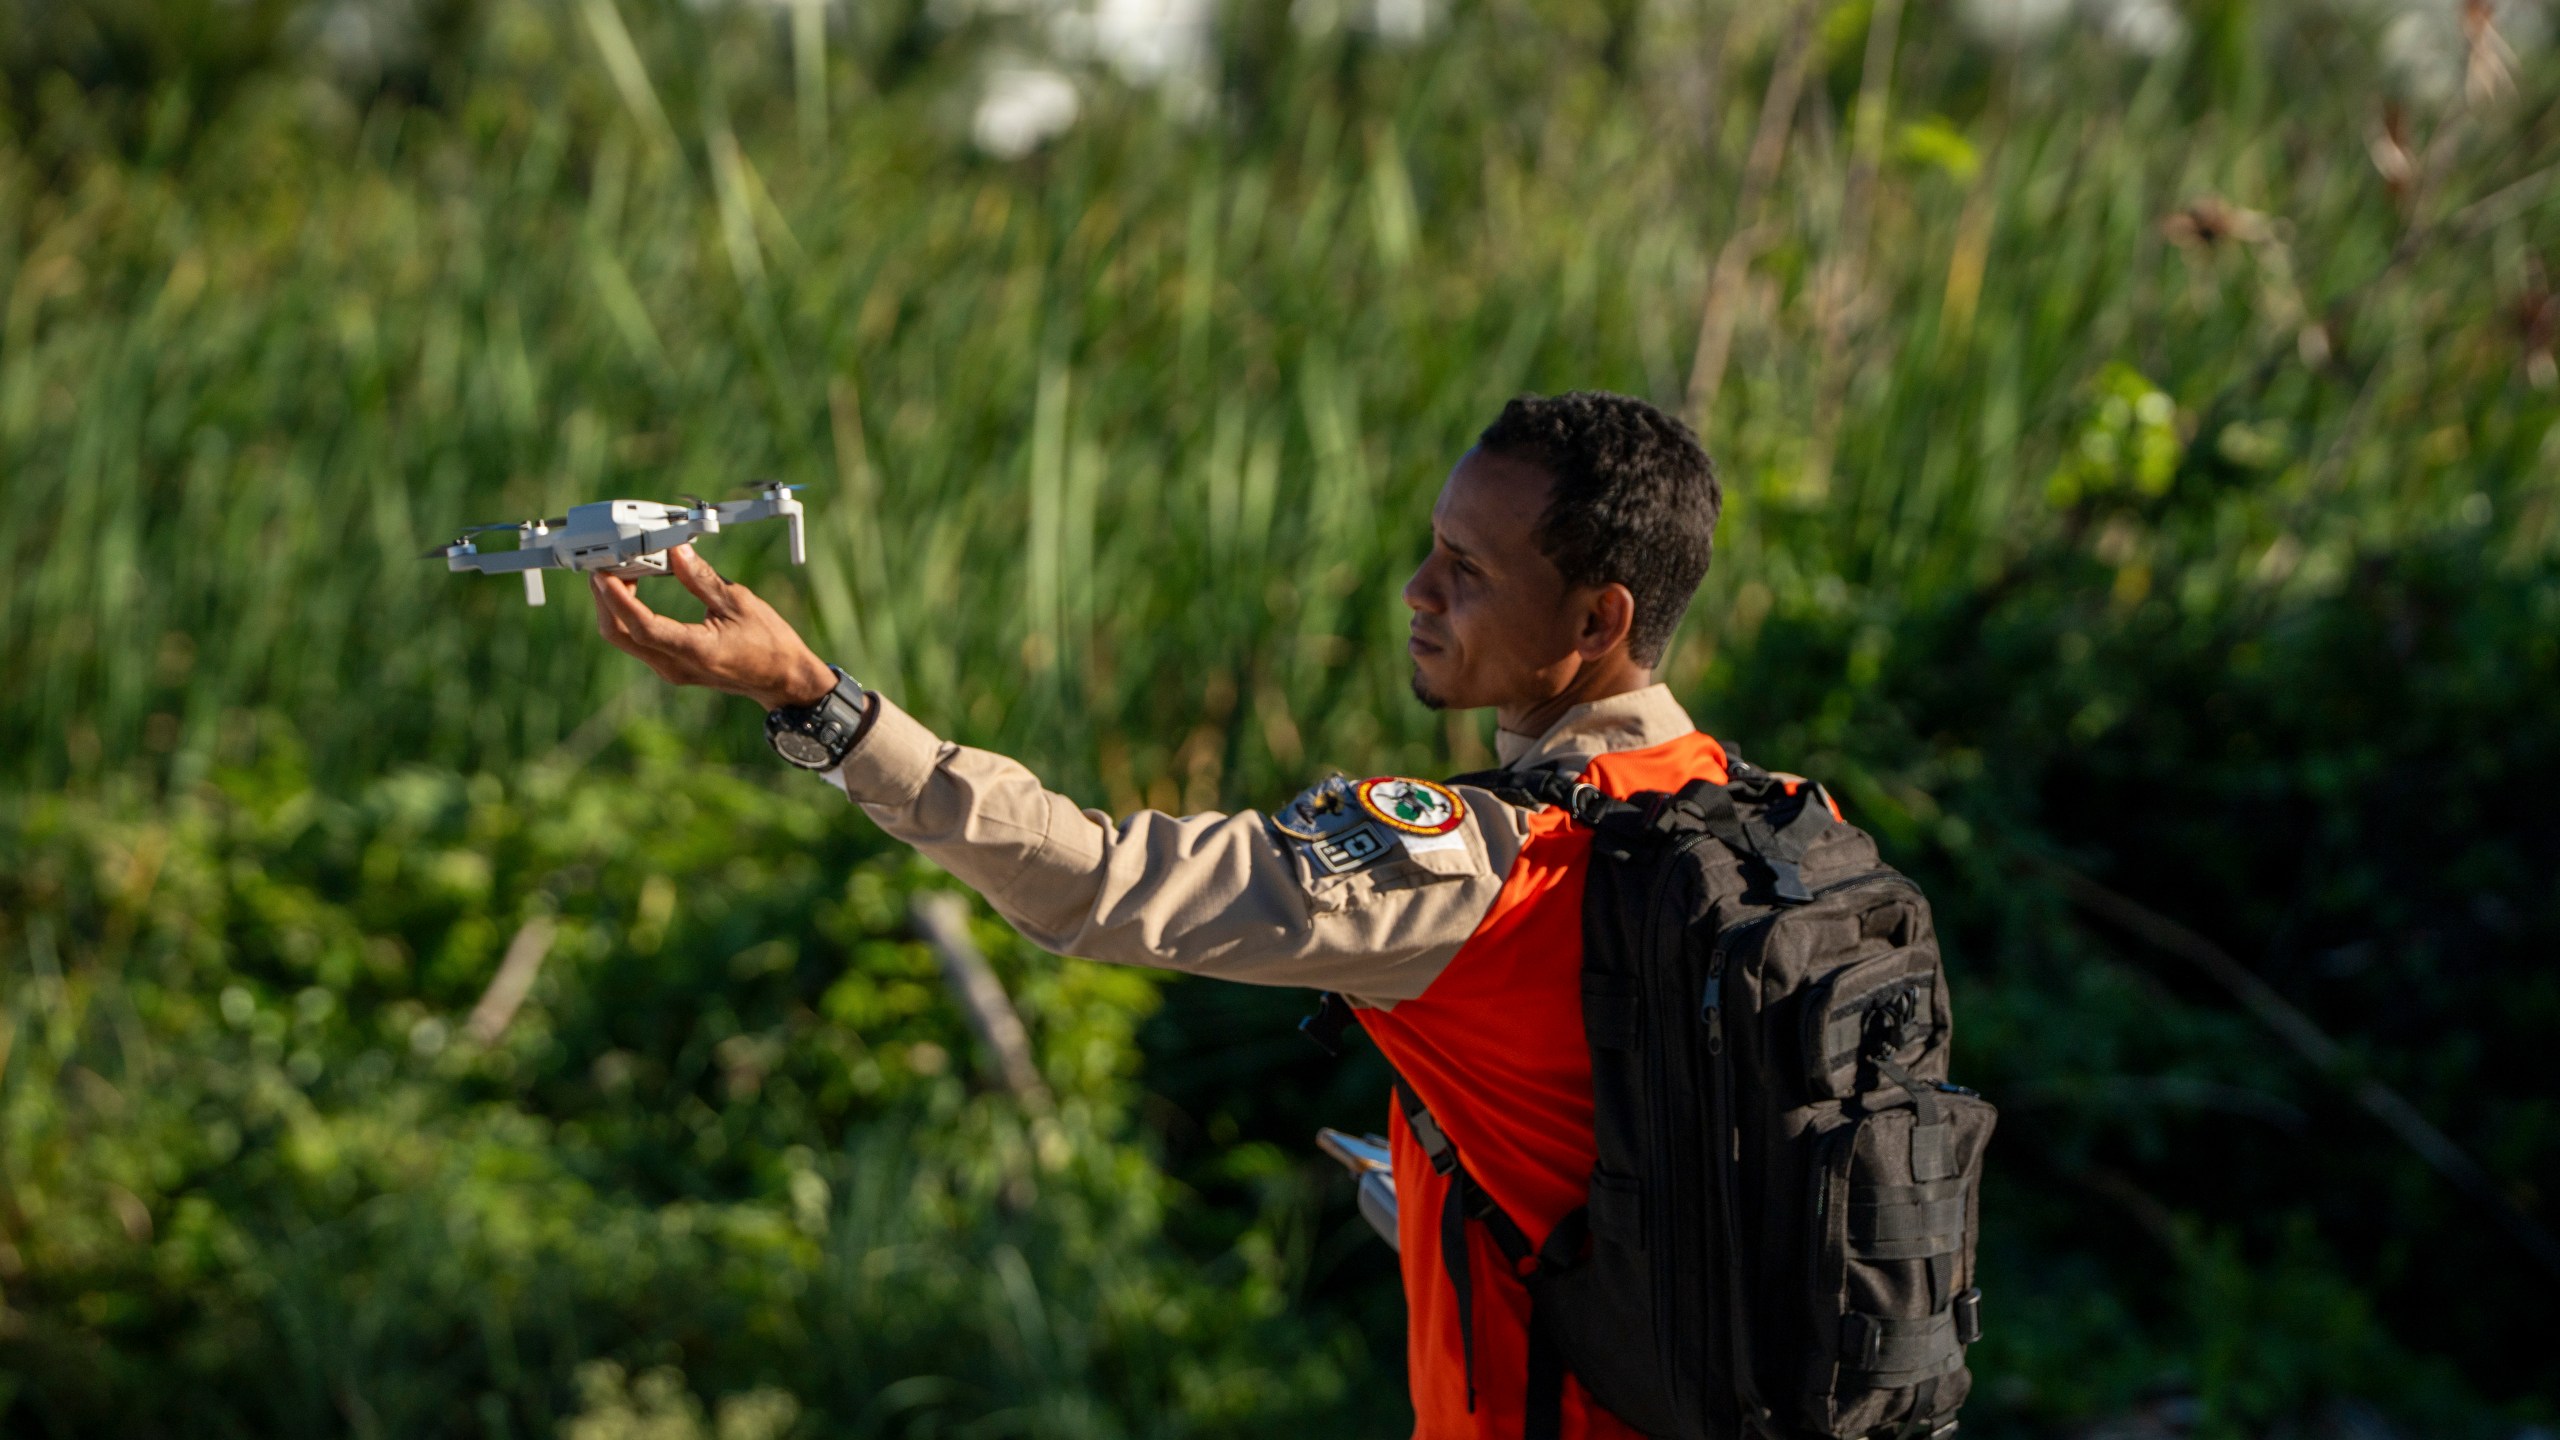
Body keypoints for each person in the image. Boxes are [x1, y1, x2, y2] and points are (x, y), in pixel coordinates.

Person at [591, 390, 1728, 1439]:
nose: (1416, 590)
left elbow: (1091, 881)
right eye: (1432, 548)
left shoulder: (1492, 869)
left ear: (1596, 621)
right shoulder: (1759, 821)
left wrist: (814, 701)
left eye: (1465, 567)